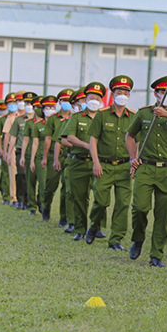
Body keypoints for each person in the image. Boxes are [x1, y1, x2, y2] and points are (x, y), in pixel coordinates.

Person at [126, 75, 167, 268]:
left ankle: (156, 254)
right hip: (145, 167)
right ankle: (138, 238)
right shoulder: (144, 113)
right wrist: (132, 157)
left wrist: (166, 114)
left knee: (163, 215)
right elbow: (130, 135)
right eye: (164, 92)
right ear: (156, 93)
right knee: (140, 208)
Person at [87, 75, 137, 249]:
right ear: (112, 93)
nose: (122, 94)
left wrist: (134, 162)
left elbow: (137, 141)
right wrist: (95, 162)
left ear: (129, 95)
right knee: (101, 201)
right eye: (119, 91)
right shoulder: (102, 115)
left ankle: (116, 239)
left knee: (123, 204)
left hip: (124, 166)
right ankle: (94, 226)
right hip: (104, 165)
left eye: (125, 92)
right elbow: (93, 139)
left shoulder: (133, 116)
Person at [65, 83, 105, 241]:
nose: (94, 100)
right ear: (85, 100)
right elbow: (69, 137)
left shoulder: (105, 117)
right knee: (79, 197)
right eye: (91, 98)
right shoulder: (76, 117)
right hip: (79, 162)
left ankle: (97, 226)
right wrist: (87, 145)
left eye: (97, 98)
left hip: (100, 163)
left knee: (101, 197)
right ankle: (80, 229)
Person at [56, 87, 86, 234]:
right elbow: (62, 140)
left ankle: (91, 224)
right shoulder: (70, 120)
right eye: (82, 101)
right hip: (72, 159)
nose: (86, 103)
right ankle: (71, 221)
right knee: (69, 192)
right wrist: (82, 144)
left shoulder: (97, 118)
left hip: (91, 161)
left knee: (86, 194)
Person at [41, 89, 74, 223]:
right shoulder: (53, 119)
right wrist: (45, 157)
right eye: (64, 100)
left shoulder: (74, 117)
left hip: (68, 155)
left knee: (66, 188)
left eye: (68, 100)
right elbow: (48, 139)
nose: (66, 103)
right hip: (54, 156)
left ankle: (63, 218)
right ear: (59, 102)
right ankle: (46, 207)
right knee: (50, 185)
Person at [9, 92, 35, 210]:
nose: (28, 105)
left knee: (32, 178)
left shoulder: (38, 120)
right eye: (27, 103)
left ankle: (30, 200)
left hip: (34, 152)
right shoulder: (19, 120)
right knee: (21, 174)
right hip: (20, 151)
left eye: (30, 103)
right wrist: (9, 153)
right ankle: (20, 199)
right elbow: (13, 137)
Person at [31, 96, 55, 219]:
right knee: (43, 183)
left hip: (57, 156)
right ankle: (44, 207)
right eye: (47, 107)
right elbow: (35, 143)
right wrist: (32, 159)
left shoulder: (60, 123)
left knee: (51, 184)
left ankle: (44, 203)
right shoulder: (38, 125)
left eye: (52, 107)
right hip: (42, 156)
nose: (50, 110)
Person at [18, 93, 40, 212]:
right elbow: (25, 140)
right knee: (28, 179)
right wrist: (22, 155)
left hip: (42, 155)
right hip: (28, 154)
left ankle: (41, 202)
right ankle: (29, 204)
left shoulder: (47, 122)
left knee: (43, 183)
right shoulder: (28, 122)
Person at [0, 99, 11, 203]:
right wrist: (1, 149)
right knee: (5, 172)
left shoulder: (20, 119)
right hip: (6, 147)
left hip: (16, 149)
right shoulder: (3, 119)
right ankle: (6, 196)